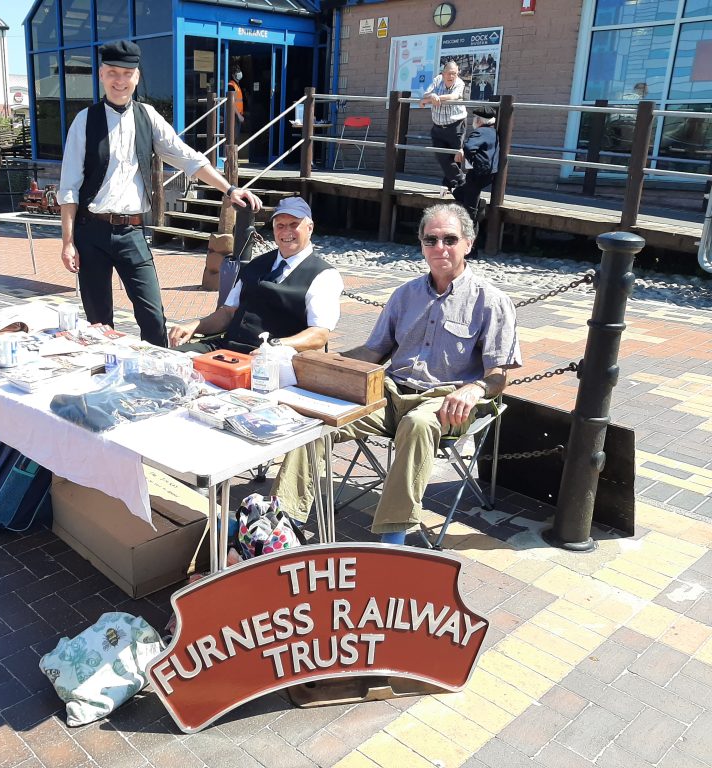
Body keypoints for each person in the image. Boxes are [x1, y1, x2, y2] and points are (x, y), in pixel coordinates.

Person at [270, 203, 521, 539]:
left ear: (468, 244)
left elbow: (499, 374)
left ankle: (393, 539)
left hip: (447, 401)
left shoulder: (490, 301)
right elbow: (374, 352)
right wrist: (325, 363)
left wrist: (475, 389)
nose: (440, 248)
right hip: (392, 393)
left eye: (449, 239)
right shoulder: (405, 295)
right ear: (421, 245)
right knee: (318, 419)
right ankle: (283, 522)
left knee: (416, 424)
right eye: (430, 240)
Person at [59, 40, 262, 347]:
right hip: (92, 232)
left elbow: (188, 157)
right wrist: (67, 242)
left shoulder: (148, 117)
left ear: (136, 77)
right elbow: (69, 187)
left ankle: (157, 378)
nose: (119, 80)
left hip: (132, 231)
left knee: (153, 316)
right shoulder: (85, 121)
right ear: (101, 75)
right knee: (98, 321)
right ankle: (104, 383)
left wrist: (229, 188)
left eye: (127, 73)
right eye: (112, 72)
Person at [167, 196, 343, 354]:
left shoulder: (324, 276)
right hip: (226, 347)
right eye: (280, 226)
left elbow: (319, 335)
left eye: (293, 224)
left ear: (310, 228)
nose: (286, 232)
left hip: (273, 359)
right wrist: (194, 326)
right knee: (169, 360)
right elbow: (228, 313)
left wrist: (275, 346)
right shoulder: (257, 264)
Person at [419, 60, 468, 194]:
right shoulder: (437, 80)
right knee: (442, 156)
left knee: (455, 157)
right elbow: (425, 95)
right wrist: (431, 96)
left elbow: (454, 96)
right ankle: (462, 182)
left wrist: (436, 98)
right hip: (438, 126)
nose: (451, 76)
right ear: (443, 73)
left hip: (456, 125)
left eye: (454, 73)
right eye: (449, 73)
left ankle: (452, 185)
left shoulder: (460, 83)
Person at [453, 106, 500, 227]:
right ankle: (480, 206)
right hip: (490, 174)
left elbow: (469, 147)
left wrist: (471, 160)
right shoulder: (494, 132)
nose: (473, 121)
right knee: (459, 192)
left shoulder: (479, 132)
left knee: (470, 209)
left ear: (479, 121)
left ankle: (471, 231)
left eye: (474, 118)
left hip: (478, 173)